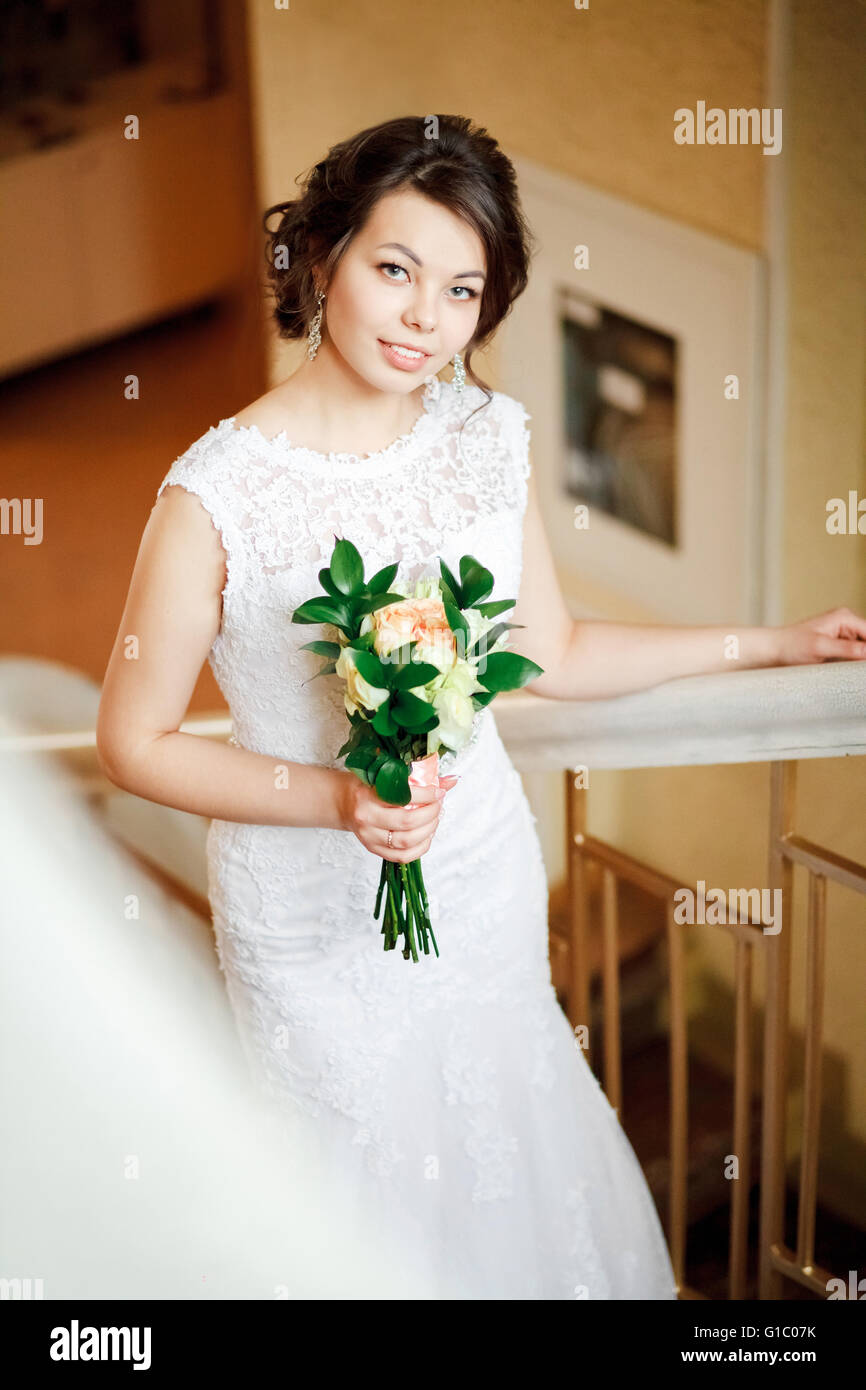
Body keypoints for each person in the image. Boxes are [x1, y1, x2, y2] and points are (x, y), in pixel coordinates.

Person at [96, 114, 866, 1300]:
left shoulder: (483, 437)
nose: (423, 319)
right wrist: (336, 797)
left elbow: (546, 649)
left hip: (477, 875)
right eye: (394, 269)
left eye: (461, 289)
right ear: (320, 256)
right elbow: (132, 740)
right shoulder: (215, 496)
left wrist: (763, 642)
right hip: (307, 926)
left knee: (510, 1157)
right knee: (357, 1209)